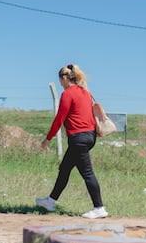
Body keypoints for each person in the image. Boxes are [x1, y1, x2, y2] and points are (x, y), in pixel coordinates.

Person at [36, 63, 108, 219]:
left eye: (60, 81)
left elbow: (59, 119)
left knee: (87, 173)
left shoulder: (68, 94)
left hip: (78, 139)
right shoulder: (86, 92)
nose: (61, 84)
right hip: (90, 136)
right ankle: (51, 201)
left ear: (64, 78)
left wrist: (47, 140)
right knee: (65, 168)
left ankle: (99, 207)